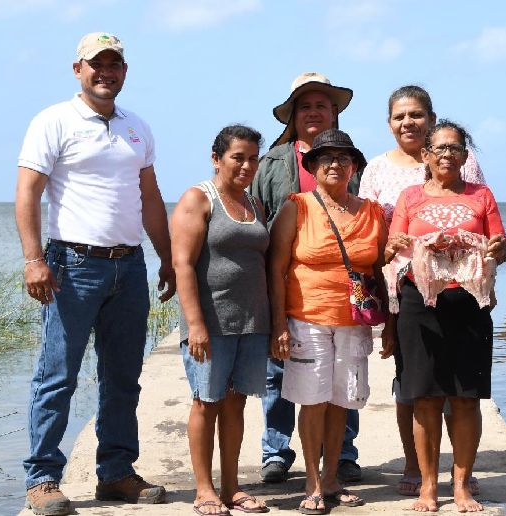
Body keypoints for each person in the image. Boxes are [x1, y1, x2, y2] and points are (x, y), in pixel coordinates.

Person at [15, 32, 175, 515]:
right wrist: (33, 260)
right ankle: (43, 479)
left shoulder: (137, 127)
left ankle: (116, 473)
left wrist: (166, 257)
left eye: (115, 64)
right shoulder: (54, 120)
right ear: (77, 69)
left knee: (124, 376)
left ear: (124, 70)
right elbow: (28, 193)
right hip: (72, 265)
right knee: (57, 376)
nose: (106, 72)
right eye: (96, 64)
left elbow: (149, 197)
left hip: (128, 265)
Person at [359, 85, 506, 498]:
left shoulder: (482, 195)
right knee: (422, 396)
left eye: (455, 150)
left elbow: (500, 247)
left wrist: (498, 249)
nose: (446, 156)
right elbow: (392, 247)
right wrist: (393, 249)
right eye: (439, 149)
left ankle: (461, 485)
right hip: (418, 304)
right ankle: (427, 486)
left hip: (469, 304)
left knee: (466, 397)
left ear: (465, 156)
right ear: (426, 155)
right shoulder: (408, 196)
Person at [250, 72, 364, 485]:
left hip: (340, 296)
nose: (314, 112)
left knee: (341, 376)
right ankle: (276, 451)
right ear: (293, 116)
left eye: (322, 105)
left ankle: (344, 453)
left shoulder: (348, 158)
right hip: (287, 285)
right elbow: (256, 221)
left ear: (334, 112)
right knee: (278, 373)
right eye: (305, 106)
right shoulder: (272, 163)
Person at [267, 129, 387, 514]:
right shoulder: (296, 206)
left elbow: (381, 267)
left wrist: (394, 325)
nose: (335, 164)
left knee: (341, 400)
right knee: (313, 401)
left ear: (354, 167)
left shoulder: (371, 211)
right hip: (307, 318)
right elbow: (276, 268)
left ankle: (333, 478)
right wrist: (278, 325)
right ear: (313, 168)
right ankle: (312, 482)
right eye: (326, 159)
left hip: (355, 319)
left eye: (343, 158)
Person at [171, 125, 271, 515]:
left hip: (252, 322)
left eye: (252, 158)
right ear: (217, 158)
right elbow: (182, 265)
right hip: (211, 324)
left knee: (236, 404)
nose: (247, 165)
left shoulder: (255, 205)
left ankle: (232, 487)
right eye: (238, 157)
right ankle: (204, 490)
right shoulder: (199, 199)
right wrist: (195, 325)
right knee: (206, 403)